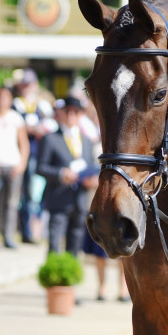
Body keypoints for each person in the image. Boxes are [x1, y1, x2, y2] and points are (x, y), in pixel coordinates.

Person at [36, 96, 98, 256]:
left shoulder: (86, 141)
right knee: (55, 243)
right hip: (59, 199)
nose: (71, 116)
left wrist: (91, 180)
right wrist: (61, 174)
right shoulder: (50, 138)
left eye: (75, 112)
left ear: (80, 115)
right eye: (68, 112)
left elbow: (90, 165)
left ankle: (70, 277)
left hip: (80, 199)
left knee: (75, 245)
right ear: (61, 114)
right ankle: (54, 277)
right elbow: (40, 167)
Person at [12, 68, 55, 243]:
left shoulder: (41, 104)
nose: (27, 87)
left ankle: (31, 230)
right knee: (23, 194)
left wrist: (41, 128)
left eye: (29, 84)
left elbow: (51, 123)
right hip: (22, 153)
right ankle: (24, 230)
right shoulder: (16, 103)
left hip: (38, 152)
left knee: (34, 194)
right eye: (24, 84)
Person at [0, 86, 30, 249]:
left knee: (11, 204)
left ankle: (8, 236)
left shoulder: (15, 118)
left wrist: (22, 164)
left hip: (12, 165)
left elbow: (23, 143)